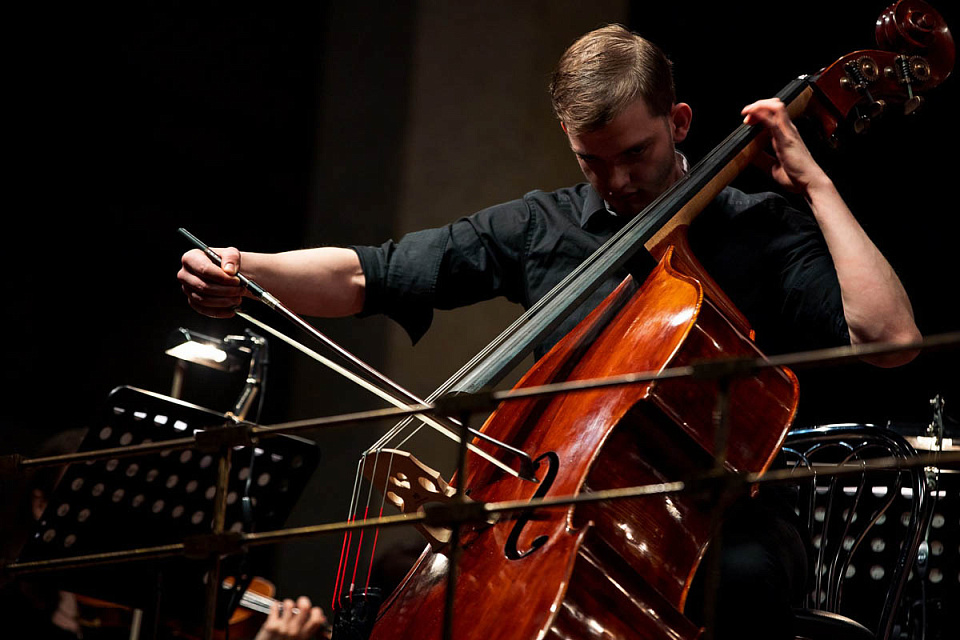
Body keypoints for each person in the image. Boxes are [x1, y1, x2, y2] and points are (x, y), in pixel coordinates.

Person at [178, 24, 920, 640]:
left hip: (717, 528)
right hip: (549, 520)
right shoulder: (542, 225)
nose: (620, 182)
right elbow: (371, 274)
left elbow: (890, 339)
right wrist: (252, 269)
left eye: (637, 154)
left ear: (680, 122)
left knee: (741, 583)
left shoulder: (756, 228)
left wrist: (816, 186)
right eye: (593, 164)